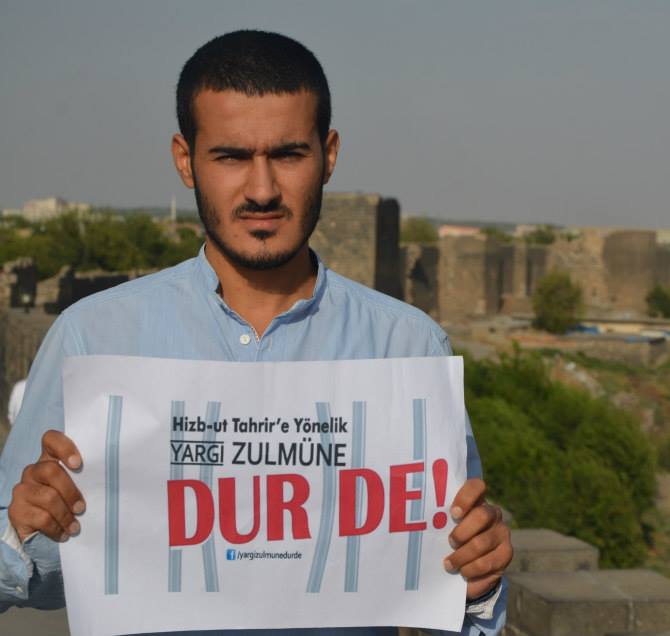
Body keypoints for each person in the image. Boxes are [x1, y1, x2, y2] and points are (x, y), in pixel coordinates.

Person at [0, 30, 512, 634]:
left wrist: (478, 581)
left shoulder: (409, 348)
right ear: (185, 160)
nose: (262, 190)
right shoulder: (92, 338)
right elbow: (34, 584)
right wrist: (22, 530)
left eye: (289, 155)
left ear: (329, 155)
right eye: (231, 157)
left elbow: (457, 599)